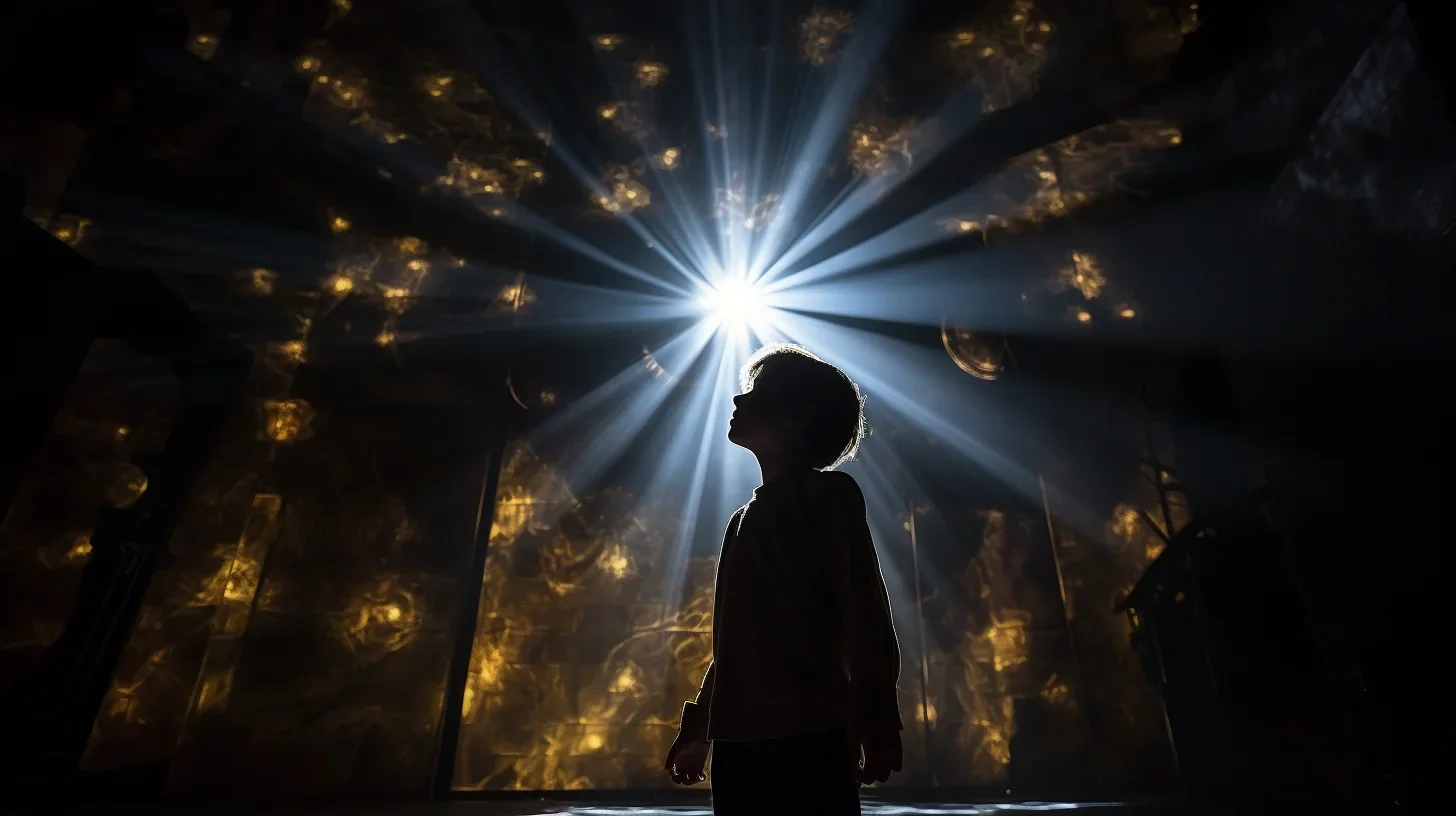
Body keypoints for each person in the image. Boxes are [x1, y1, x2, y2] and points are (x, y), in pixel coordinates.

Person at [663, 343, 904, 814]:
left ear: (800, 415)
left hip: (810, 735)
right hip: (738, 743)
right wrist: (698, 733)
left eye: (755, 392)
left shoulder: (829, 497)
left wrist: (878, 722)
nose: (738, 400)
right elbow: (732, 647)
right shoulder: (740, 521)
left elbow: (865, 613)